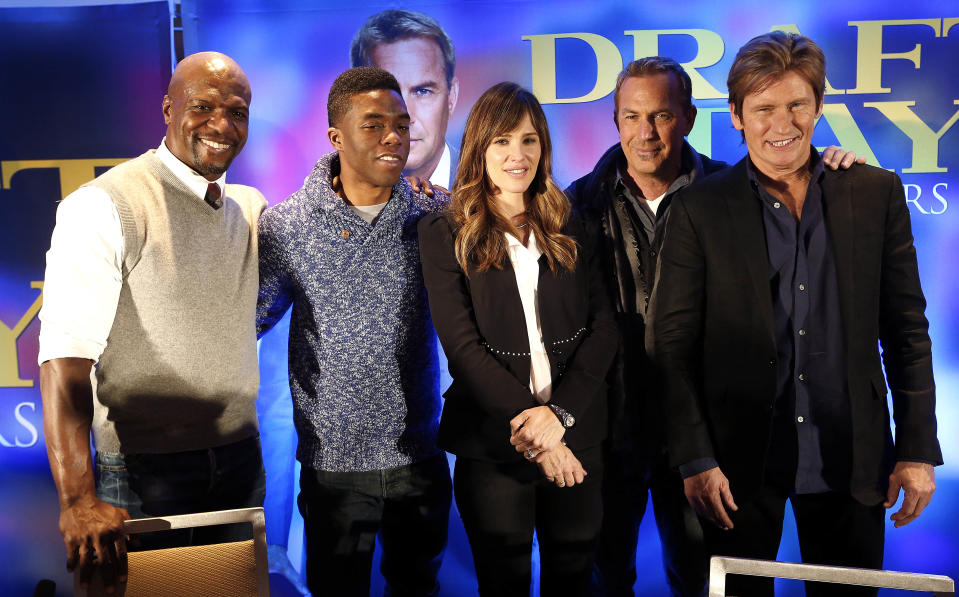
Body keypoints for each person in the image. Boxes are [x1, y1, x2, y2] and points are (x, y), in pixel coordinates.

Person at [646, 31, 942, 597]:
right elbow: (672, 343)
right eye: (763, 109)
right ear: (735, 116)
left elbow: (907, 331)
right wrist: (694, 458)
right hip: (733, 467)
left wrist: (917, 450)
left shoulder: (874, 192)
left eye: (796, 105)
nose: (782, 124)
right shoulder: (698, 209)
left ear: (819, 107)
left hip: (851, 457)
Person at [566, 57, 864, 597]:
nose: (645, 132)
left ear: (689, 118)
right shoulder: (575, 204)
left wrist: (834, 170)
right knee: (605, 575)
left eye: (660, 115)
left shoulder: (737, 193)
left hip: (705, 435)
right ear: (614, 121)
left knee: (704, 581)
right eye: (631, 116)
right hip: (609, 428)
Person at [38, 52, 266, 590]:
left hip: (239, 464)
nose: (221, 125)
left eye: (237, 111)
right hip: (139, 471)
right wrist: (76, 498)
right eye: (202, 106)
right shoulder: (104, 205)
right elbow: (64, 358)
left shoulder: (252, 210)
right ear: (168, 109)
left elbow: (328, 223)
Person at [256, 66, 452, 597]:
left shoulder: (436, 213)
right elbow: (248, 319)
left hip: (420, 458)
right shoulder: (287, 227)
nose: (394, 136)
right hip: (334, 472)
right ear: (336, 137)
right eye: (374, 125)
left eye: (401, 123)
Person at [419, 81, 618, 596]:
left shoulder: (573, 219)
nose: (517, 155)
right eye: (502, 142)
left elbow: (604, 329)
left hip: (579, 436)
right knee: (502, 583)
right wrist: (538, 436)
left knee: (573, 580)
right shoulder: (444, 232)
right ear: (479, 148)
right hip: (491, 445)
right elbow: (462, 348)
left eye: (529, 140)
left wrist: (560, 419)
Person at [351, 9, 459, 188]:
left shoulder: (495, 191)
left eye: (423, 91)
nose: (406, 118)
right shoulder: (330, 201)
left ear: (451, 97)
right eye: (387, 93)